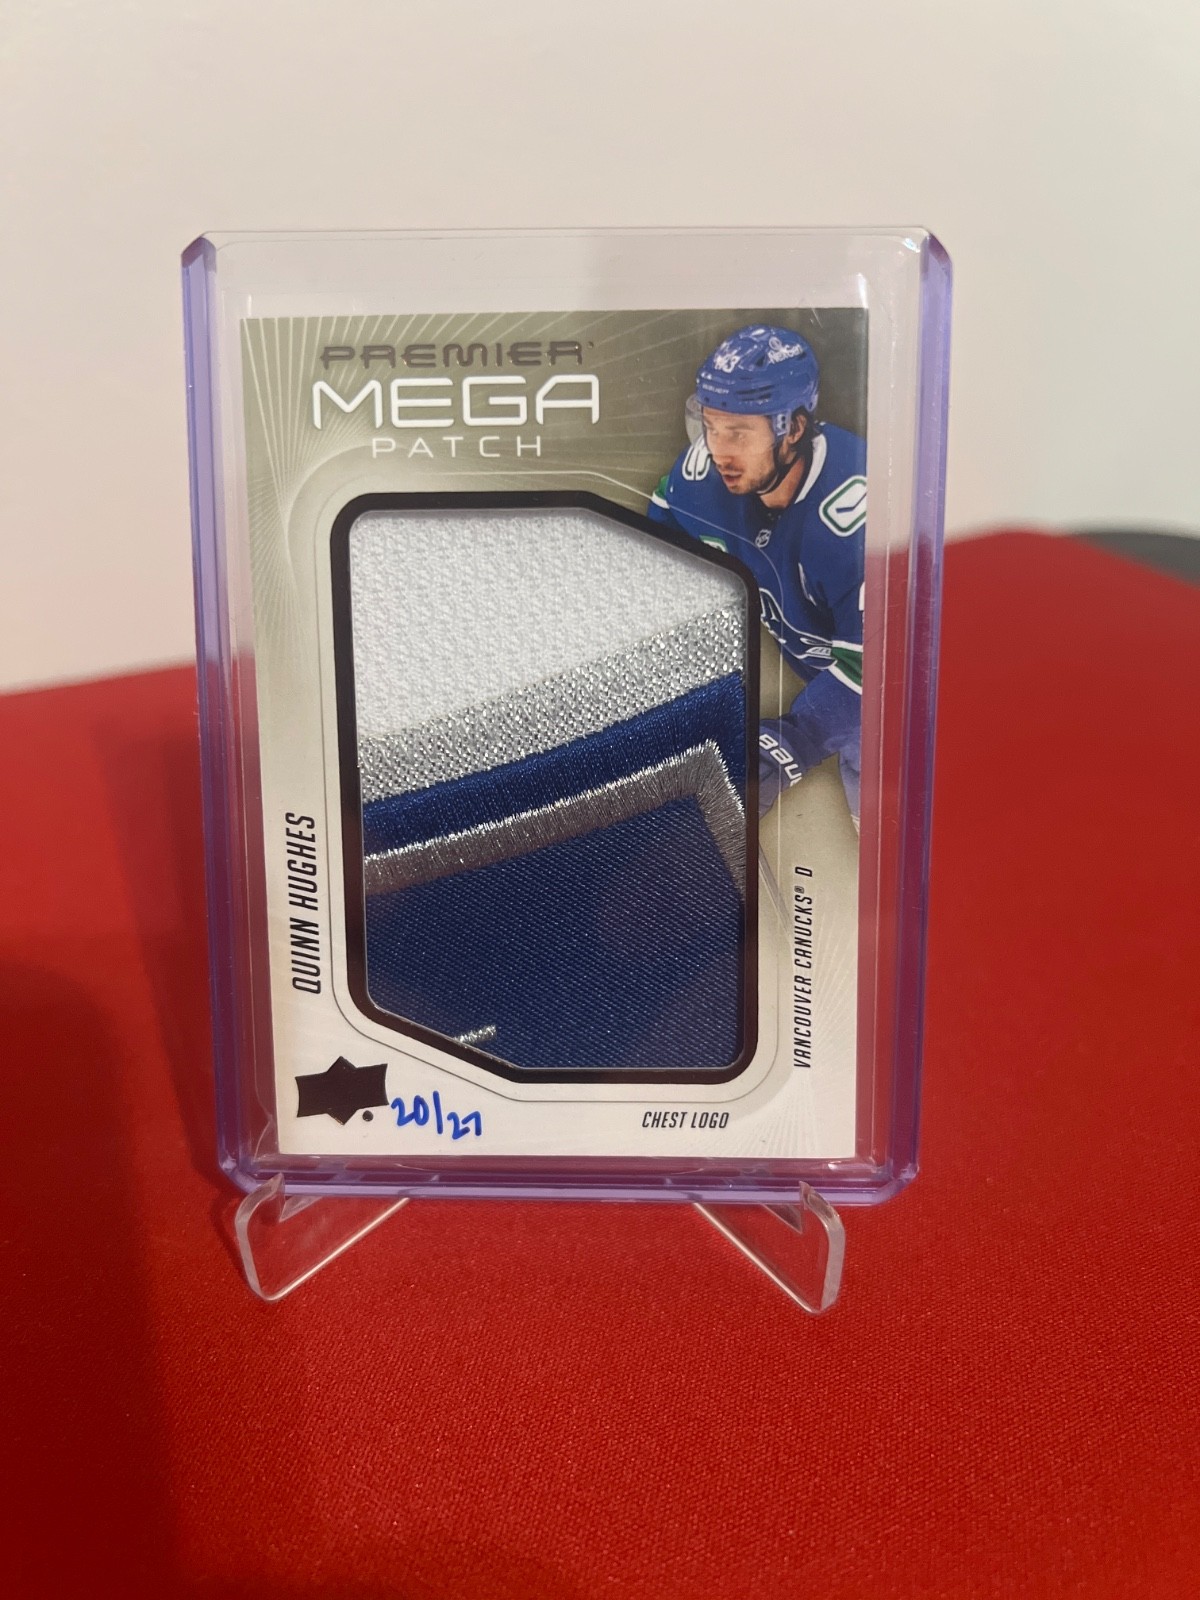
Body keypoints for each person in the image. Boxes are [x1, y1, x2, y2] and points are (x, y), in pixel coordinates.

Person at [647, 325, 865, 822]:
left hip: (918, 701)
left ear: (794, 429)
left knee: (891, 813)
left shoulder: (855, 522)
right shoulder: (703, 479)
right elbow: (664, 524)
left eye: (739, 433)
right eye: (710, 426)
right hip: (830, 681)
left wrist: (791, 742)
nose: (719, 451)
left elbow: (878, 672)